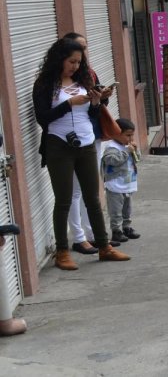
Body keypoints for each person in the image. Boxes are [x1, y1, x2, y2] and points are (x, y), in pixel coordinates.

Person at [31, 38, 130, 270]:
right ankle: (63, 252)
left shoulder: (83, 80)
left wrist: (97, 101)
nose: (75, 66)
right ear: (59, 59)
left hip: (86, 143)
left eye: (78, 62)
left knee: (92, 198)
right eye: (71, 61)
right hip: (59, 145)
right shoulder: (45, 84)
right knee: (64, 199)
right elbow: (43, 119)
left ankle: (105, 247)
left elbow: (92, 114)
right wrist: (69, 104)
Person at [60, 32, 114, 253]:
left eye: (84, 49)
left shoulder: (86, 74)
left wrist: (101, 97)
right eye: (76, 52)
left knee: (91, 191)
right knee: (71, 193)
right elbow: (45, 115)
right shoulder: (53, 82)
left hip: (90, 136)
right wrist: (70, 103)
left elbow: (94, 106)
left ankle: (95, 236)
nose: (81, 56)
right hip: (65, 144)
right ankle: (77, 238)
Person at [100, 118, 140, 242]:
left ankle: (126, 227)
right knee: (116, 210)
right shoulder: (111, 147)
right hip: (115, 185)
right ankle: (116, 231)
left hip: (127, 183)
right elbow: (111, 160)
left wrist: (135, 151)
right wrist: (126, 152)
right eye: (127, 135)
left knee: (127, 209)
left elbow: (137, 159)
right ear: (117, 133)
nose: (130, 138)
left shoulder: (127, 146)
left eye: (132, 135)